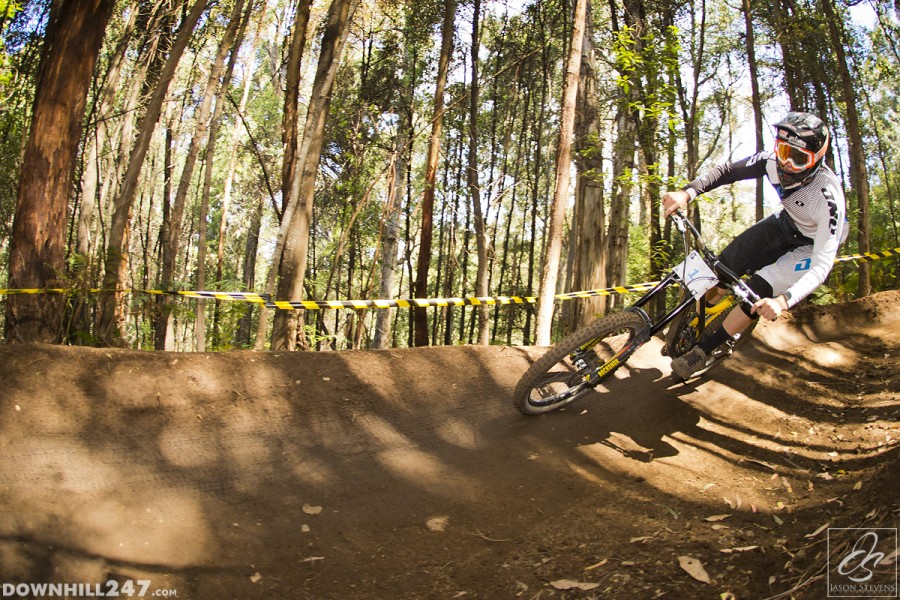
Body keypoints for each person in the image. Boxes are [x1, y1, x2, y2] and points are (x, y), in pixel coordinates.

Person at [662, 111, 848, 380]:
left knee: (757, 292)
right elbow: (728, 172)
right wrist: (687, 192)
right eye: (783, 151)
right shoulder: (772, 162)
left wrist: (783, 301)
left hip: (809, 247)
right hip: (785, 222)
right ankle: (695, 317)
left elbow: (821, 266)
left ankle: (702, 352)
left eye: (798, 159)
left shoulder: (828, 199)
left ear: (817, 159)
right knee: (722, 268)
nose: (786, 163)